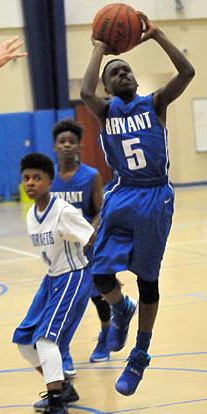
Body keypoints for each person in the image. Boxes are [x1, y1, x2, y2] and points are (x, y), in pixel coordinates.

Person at [80, 11, 195, 396]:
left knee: (148, 281)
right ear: (108, 87)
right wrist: (100, 48)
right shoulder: (105, 110)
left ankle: (140, 355)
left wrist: (158, 35)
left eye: (127, 69)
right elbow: (84, 93)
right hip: (123, 192)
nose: (123, 74)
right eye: (115, 74)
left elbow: (188, 73)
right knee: (99, 273)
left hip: (154, 197)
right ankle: (120, 309)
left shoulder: (155, 103)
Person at [12, 153, 95, 414]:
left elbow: (92, 237)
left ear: (50, 181)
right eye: (26, 178)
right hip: (51, 280)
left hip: (73, 276)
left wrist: (106, 274)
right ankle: (64, 387)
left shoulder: (63, 211)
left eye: (37, 178)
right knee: (25, 340)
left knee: (47, 340)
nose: (30, 183)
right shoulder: (30, 215)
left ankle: (57, 402)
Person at [49, 118, 111, 377]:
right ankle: (64, 354)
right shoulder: (48, 176)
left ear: (79, 146)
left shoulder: (91, 176)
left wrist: (91, 231)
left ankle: (106, 336)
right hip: (60, 251)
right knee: (65, 304)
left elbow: (99, 210)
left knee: (97, 295)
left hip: (86, 249)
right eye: (61, 141)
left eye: (71, 142)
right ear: (54, 146)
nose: (66, 145)